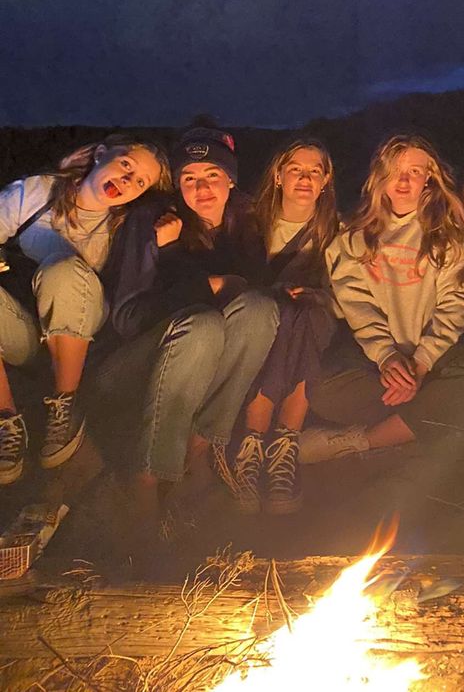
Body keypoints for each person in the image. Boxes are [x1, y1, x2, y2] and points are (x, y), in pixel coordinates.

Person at [95, 127, 279, 533]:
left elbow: (250, 296)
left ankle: (200, 452)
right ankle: (146, 479)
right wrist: (203, 286)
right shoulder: (152, 221)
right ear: (177, 184)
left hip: (198, 370)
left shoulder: (246, 224)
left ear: (230, 178)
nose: (202, 187)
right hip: (128, 371)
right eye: (189, 178)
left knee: (260, 309)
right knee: (203, 325)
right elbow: (126, 318)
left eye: (212, 174)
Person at [301, 134, 464, 463]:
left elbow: (453, 307)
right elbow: (357, 304)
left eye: (415, 172)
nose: (403, 180)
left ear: (429, 177)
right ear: (379, 175)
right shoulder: (355, 235)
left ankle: (361, 441)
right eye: (396, 170)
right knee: (323, 391)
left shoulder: (448, 236)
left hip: (435, 361)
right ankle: (426, 422)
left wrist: (419, 365)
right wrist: (387, 357)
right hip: (377, 362)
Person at [0, 135, 170, 485]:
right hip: (23, 331)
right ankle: (6, 420)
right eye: (126, 164)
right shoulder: (36, 192)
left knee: (64, 269)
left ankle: (64, 405)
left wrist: (155, 243)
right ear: (102, 154)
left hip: (80, 329)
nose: (127, 181)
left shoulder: (126, 225)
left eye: (140, 182)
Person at [218, 139, 339, 515]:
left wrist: (317, 295)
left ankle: (279, 444)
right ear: (278, 175)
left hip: (315, 318)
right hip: (259, 319)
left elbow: (348, 293)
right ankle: (258, 444)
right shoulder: (247, 221)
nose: (304, 179)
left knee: (298, 312)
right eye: (296, 170)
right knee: (282, 312)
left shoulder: (336, 231)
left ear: (325, 181)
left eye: (314, 171)